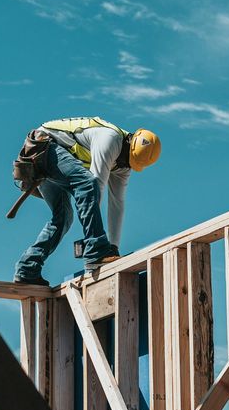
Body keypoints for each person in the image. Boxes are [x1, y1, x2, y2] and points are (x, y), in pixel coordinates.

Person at [13, 116, 161, 285]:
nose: (124, 165)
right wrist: (97, 247)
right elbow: (94, 187)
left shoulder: (124, 165)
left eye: (129, 163)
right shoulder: (110, 139)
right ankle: (96, 250)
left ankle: (27, 268)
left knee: (63, 218)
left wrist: (113, 247)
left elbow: (117, 204)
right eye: (126, 159)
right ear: (129, 142)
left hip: (52, 157)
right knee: (87, 183)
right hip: (43, 146)